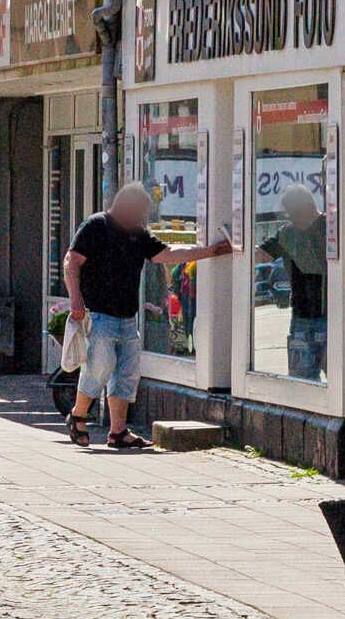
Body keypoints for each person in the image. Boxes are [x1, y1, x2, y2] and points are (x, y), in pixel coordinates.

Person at [63, 184, 235, 451]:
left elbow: (168, 254)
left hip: (128, 317)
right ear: (123, 205)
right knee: (100, 366)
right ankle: (79, 415)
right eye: (139, 211)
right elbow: (71, 261)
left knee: (127, 374)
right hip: (98, 314)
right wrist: (76, 299)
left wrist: (209, 252)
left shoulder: (138, 234)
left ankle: (118, 432)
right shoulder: (96, 226)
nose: (140, 217)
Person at [262, 186, 328, 380]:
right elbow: (261, 254)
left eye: (294, 213)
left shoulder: (332, 228)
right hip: (301, 315)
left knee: (341, 381)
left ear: (308, 207)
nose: (292, 219)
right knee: (301, 382)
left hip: (332, 315)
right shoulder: (288, 232)